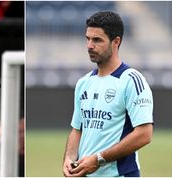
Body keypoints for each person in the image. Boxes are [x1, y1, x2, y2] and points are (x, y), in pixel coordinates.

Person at [62, 11, 153, 177]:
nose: (89, 45)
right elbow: (77, 129)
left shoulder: (131, 80)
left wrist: (98, 159)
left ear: (116, 42)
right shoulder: (83, 83)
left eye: (97, 40)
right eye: (87, 39)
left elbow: (144, 134)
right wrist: (69, 158)